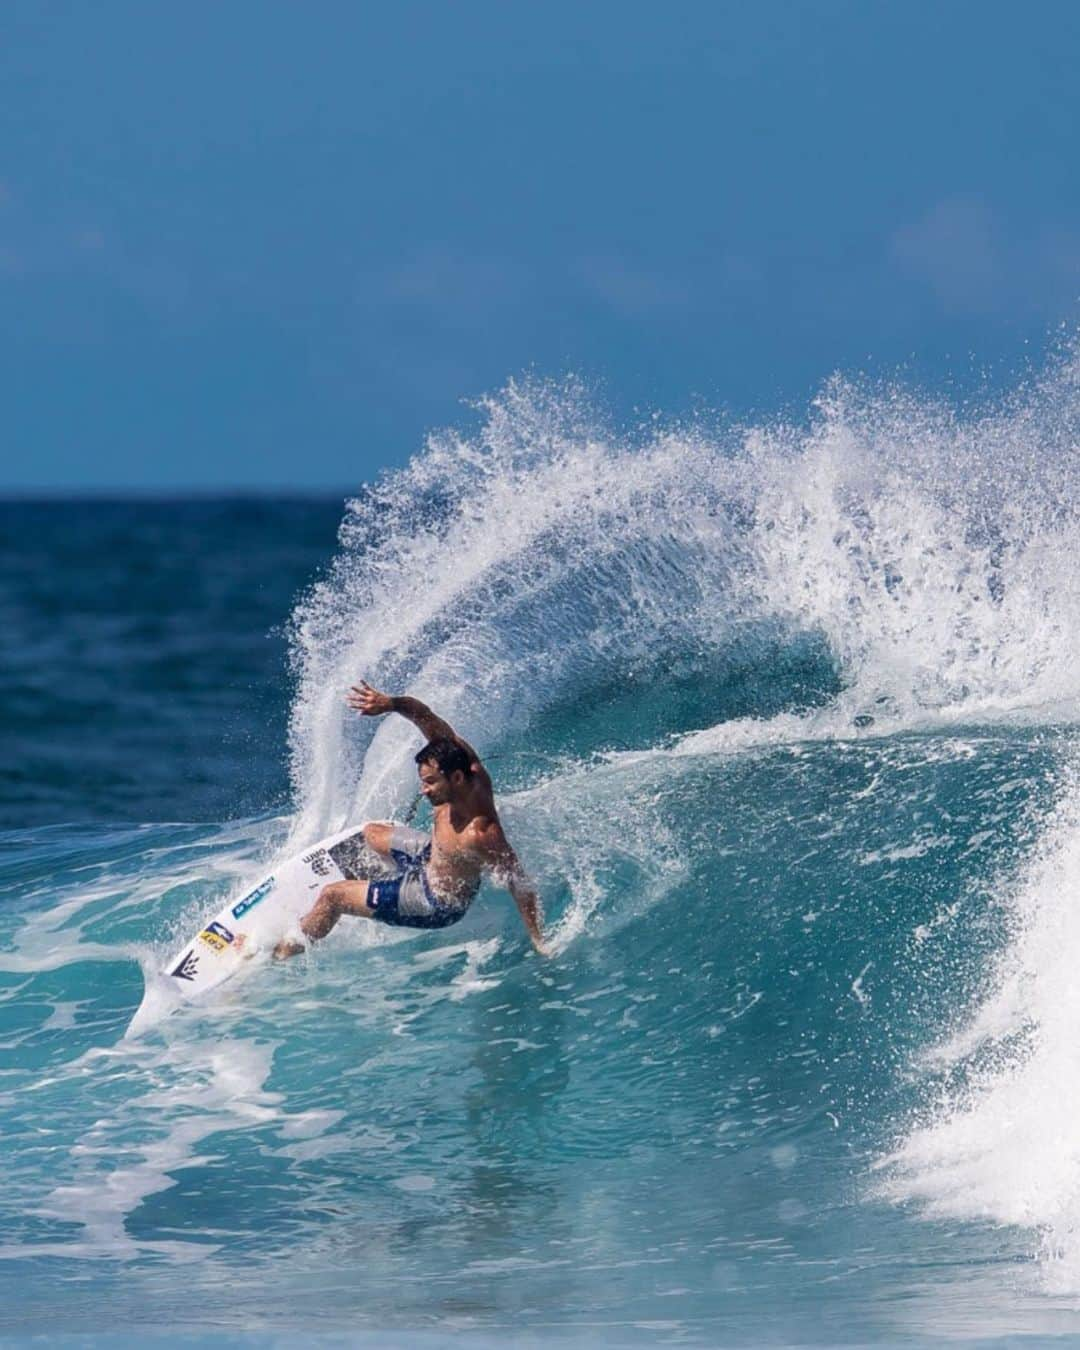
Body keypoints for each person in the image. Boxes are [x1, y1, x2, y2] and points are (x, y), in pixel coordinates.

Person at [273, 682, 549, 958]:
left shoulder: (480, 833)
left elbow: (520, 884)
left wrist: (538, 941)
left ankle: (279, 954)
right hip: (432, 857)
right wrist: (391, 703)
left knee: (333, 896)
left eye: (430, 783)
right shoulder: (457, 759)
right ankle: (370, 887)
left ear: (456, 778)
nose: (424, 789)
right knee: (371, 833)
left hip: (434, 901)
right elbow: (424, 715)